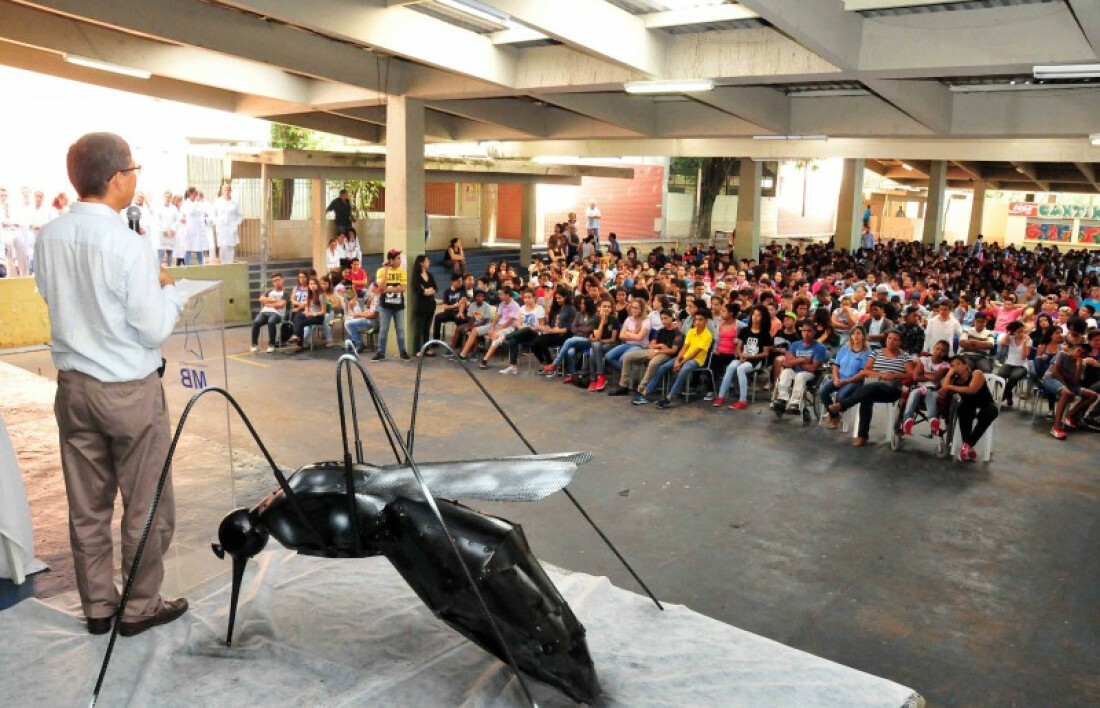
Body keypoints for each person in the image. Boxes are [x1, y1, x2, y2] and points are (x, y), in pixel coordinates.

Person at [33, 132, 188, 636]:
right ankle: (139, 606)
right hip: (128, 392)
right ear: (118, 177)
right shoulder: (127, 244)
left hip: (73, 389)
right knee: (146, 504)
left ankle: (99, 607)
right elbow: (152, 328)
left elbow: (53, 296)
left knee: (87, 507)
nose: (135, 178)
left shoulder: (49, 236)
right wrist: (174, 293)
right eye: (134, 169)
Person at [828, 330, 914, 447]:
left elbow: (911, 375)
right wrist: (881, 375)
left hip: (891, 389)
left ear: (900, 342)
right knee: (867, 395)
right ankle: (862, 436)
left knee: (868, 390)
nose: (891, 341)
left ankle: (842, 405)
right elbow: (866, 371)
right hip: (873, 386)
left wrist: (894, 376)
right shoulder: (876, 353)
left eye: (895, 339)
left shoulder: (904, 356)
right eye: (889, 338)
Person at [941, 355, 999, 462]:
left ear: (966, 365)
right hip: (969, 404)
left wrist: (949, 386)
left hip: (986, 403)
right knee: (963, 409)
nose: (956, 367)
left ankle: (968, 444)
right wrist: (949, 375)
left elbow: (971, 389)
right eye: (952, 366)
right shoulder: (955, 379)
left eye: (958, 364)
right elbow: (943, 389)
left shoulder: (976, 373)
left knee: (989, 412)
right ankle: (968, 447)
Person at [652, 309, 714, 409]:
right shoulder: (691, 331)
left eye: (700, 320)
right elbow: (684, 348)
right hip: (685, 357)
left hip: (697, 360)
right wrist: (677, 360)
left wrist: (681, 363)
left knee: (684, 368)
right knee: (664, 366)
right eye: (696, 320)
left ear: (706, 321)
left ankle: (670, 397)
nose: (697, 322)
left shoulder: (708, 335)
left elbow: (695, 353)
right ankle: (650, 391)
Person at [715, 304, 772, 409]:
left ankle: (742, 400)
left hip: (756, 360)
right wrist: (741, 355)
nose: (755, 317)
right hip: (742, 357)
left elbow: (765, 353)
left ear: (763, 318)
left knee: (740, 369)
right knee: (731, 367)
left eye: (758, 315)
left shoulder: (765, 334)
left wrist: (749, 357)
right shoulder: (745, 330)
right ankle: (720, 396)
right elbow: (738, 347)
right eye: (753, 314)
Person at [1043, 340, 1098, 440]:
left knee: (1093, 395)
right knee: (1066, 393)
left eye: (1083, 354)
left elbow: (1075, 381)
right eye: (1078, 350)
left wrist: (1079, 365)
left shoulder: (1081, 364)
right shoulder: (1062, 354)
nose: (1079, 354)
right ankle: (1056, 427)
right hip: (1051, 379)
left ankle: (1069, 416)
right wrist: (1065, 387)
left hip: (1070, 384)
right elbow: (1055, 371)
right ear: (1074, 348)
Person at [772, 320, 827, 416]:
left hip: (809, 374)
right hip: (794, 370)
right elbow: (786, 363)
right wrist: (801, 360)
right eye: (804, 331)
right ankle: (782, 398)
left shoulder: (820, 348)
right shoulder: (795, 345)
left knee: (800, 376)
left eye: (809, 331)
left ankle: (795, 403)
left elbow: (812, 368)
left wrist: (795, 360)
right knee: (785, 372)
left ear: (814, 332)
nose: (806, 333)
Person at [820, 326, 871, 428]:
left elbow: (862, 373)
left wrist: (846, 381)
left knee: (840, 396)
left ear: (863, 336)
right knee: (823, 391)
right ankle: (834, 415)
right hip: (840, 377)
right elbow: (836, 365)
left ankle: (833, 415)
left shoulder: (867, 352)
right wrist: (836, 378)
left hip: (854, 381)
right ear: (850, 336)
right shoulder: (845, 348)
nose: (856, 336)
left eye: (858, 333)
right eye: (853, 334)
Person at [900, 339, 951, 436]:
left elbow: (935, 378)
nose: (939, 352)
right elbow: (916, 377)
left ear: (945, 353)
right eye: (937, 349)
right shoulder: (923, 359)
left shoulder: (945, 365)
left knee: (930, 394)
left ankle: (933, 419)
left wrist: (923, 373)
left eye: (942, 350)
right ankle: (907, 420)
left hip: (934, 390)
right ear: (934, 348)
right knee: (914, 393)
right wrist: (931, 375)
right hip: (919, 387)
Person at [374, 248, 410, 361]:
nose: (400, 261)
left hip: (399, 306)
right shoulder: (380, 271)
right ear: (391, 260)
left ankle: (403, 352)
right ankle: (381, 353)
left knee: (400, 329)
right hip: (385, 306)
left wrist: (388, 289)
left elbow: (403, 288)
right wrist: (386, 271)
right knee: (383, 330)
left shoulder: (402, 272)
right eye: (398, 258)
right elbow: (381, 288)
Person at [499, 288, 547, 375]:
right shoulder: (521, 309)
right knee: (513, 340)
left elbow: (541, 325)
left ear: (534, 298)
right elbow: (518, 324)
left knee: (527, 329)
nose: (527, 299)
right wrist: (523, 329)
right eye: (525, 297)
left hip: (535, 334)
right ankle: (513, 366)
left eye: (529, 297)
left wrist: (530, 328)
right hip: (523, 333)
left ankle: (504, 337)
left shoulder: (540, 309)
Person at [472, 288, 520, 367]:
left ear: (507, 295)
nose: (499, 296)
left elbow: (509, 322)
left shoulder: (515, 305)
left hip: (509, 328)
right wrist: (492, 327)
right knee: (476, 330)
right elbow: (496, 317)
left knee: (495, 335)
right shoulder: (502, 304)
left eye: (501, 294)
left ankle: (485, 359)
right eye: (499, 294)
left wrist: (496, 330)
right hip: (499, 325)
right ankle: (488, 352)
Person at [996, 321, 1031, 407]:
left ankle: (1004, 394)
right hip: (1009, 363)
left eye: (1022, 331)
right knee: (1000, 374)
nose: (1021, 333)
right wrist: (1008, 334)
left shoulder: (1028, 340)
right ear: (1013, 332)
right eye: (1019, 331)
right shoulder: (1011, 338)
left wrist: (1024, 343)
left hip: (1022, 365)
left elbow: (1023, 357)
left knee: (1013, 377)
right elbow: (1003, 343)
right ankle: (1009, 394)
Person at [250, 273, 287, 352]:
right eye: (274, 281)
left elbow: (281, 304)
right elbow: (261, 299)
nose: (276, 282)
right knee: (256, 322)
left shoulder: (285, 293)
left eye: (278, 280)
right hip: (265, 312)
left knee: (271, 322)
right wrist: (276, 301)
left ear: (282, 280)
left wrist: (269, 303)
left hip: (278, 313)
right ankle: (254, 344)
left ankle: (271, 344)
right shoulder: (269, 291)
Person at [411, 254, 438, 356]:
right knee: (419, 329)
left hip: (430, 305)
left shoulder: (429, 275)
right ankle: (417, 350)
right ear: (421, 263)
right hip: (421, 306)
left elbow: (435, 288)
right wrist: (427, 290)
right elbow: (419, 291)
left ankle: (426, 349)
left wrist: (427, 290)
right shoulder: (416, 276)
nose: (428, 262)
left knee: (427, 329)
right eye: (426, 261)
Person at [344, 283, 379, 352]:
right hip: (366, 318)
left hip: (372, 322)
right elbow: (368, 308)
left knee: (348, 323)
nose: (370, 288)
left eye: (372, 286)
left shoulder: (378, 298)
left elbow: (373, 315)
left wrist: (359, 315)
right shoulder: (374, 296)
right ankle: (356, 342)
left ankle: (357, 343)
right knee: (347, 321)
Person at [213, 183, 242, 264]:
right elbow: (213, 214)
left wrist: (236, 223)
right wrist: (216, 222)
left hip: (231, 227)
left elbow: (240, 215)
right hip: (221, 227)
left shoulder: (235, 202)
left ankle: (230, 263)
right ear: (222, 191)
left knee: (231, 246)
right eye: (225, 190)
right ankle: (223, 264)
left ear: (231, 191)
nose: (227, 192)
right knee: (223, 247)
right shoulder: (218, 201)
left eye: (228, 190)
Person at [433, 274, 468, 342]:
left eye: (461, 281)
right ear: (453, 282)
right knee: (437, 317)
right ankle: (436, 340)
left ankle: (458, 342)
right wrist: (455, 306)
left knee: (460, 318)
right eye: (459, 281)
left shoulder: (462, 288)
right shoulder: (447, 292)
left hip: (458, 312)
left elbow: (463, 300)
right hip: (449, 312)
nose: (461, 283)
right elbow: (445, 306)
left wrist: (460, 312)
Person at [179, 187, 207, 265]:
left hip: (198, 230)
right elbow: (187, 213)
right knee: (188, 248)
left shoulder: (198, 204)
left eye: (197, 193)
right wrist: (182, 218)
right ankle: (188, 266)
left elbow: (202, 214)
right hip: (189, 229)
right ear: (190, 194)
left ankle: (201, 265)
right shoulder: (185, 204)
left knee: (199, 248)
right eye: (195, 193)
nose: (196, 195)